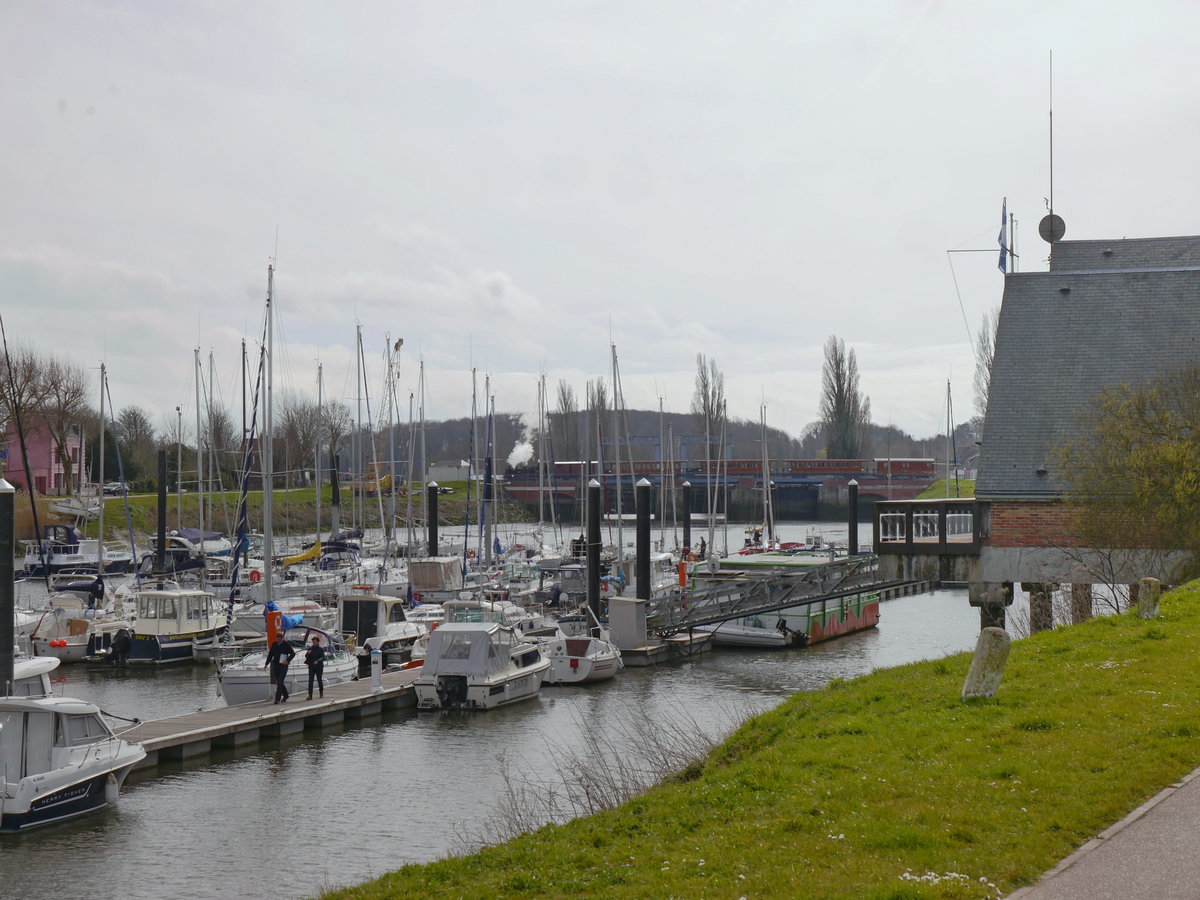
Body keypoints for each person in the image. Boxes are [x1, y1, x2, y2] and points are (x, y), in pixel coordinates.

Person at [264, 632, 296, 704]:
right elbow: (270, 654)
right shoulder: (274, 644)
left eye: (280, 637)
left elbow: (293, 654)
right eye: (278, 637)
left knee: (280, 681)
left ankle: (277, 699)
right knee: (279, 682)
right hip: (276, 665)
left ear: (282, 638)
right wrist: (266, 664)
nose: (279, 639)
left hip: (283, 665)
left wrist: (287, 660)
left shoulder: (286, 644)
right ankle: (286, 695)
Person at [304, 635, 326, 700]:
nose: (314, 643)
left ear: (318, 642)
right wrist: (308, 653)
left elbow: (323, 657)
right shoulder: (310, 648)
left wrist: (317, 661)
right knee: (310, 681)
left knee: (319, 680)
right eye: (313, 641)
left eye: (315, 641)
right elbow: (306, 656)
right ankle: (310, 695)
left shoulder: (320, 649)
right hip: (311, 666)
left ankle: (321, 693)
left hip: (319, 667)